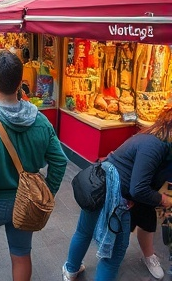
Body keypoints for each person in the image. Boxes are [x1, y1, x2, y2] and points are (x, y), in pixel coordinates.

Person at [0, 50, 67, 281]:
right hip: (26, 201)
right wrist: (47, 191)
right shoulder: (40, 120)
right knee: (21, 253)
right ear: (20, 82)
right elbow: (59, 161)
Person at [62, 108, 172, 281]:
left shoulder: (148, 138)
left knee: (83, 231)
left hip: (99, 185)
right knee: (112, 255)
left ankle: (70, 271)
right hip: (115, 196)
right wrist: (164, 199)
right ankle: (71, 270)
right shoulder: (155, 145)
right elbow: (138, 188)